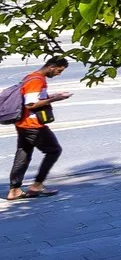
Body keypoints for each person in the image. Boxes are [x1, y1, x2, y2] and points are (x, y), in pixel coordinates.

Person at [8, 55, 72, 200]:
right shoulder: (37, 81)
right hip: (33, 125)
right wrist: (56, 98)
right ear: (52, 67)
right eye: (59, 71)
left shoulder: (31, 77)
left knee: (23, 154)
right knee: (54, 150)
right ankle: (37, 185)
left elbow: (35, 97)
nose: (58, 74)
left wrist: (53, 95)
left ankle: (14, 190)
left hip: (23, 124)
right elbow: (30, 104)